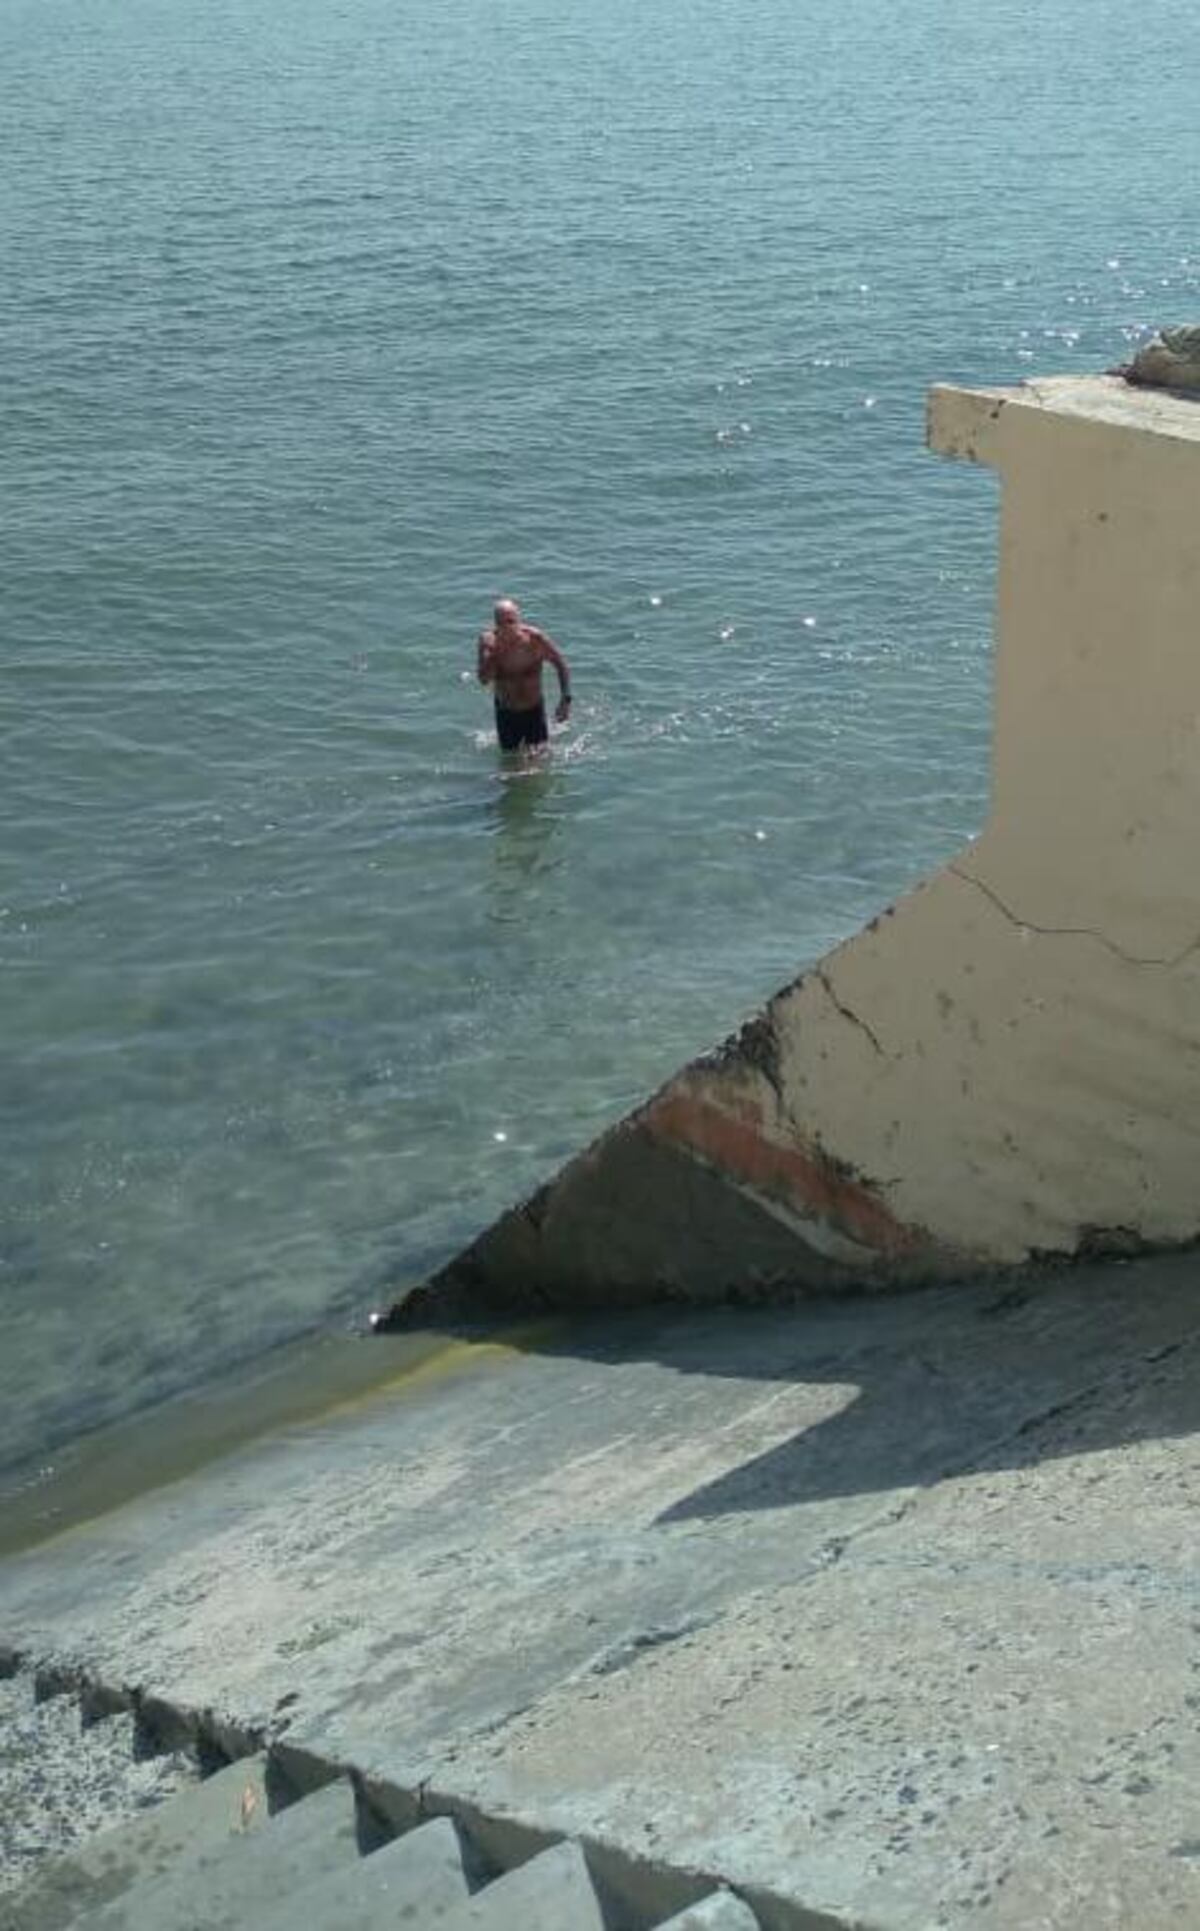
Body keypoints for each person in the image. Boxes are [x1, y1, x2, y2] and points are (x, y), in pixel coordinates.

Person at [476, 599, 571, 752]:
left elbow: (561, 665)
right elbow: (483, 680)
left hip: (533, 710)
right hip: (506, 712)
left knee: (539, 761)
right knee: (510, 764)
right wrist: (495, 654)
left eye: (511, 621)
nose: (507, 627)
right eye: (501, 623)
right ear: (495, 624)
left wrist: (565, 700)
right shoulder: (487, 642)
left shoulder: (535, 640)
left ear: (519, 621)